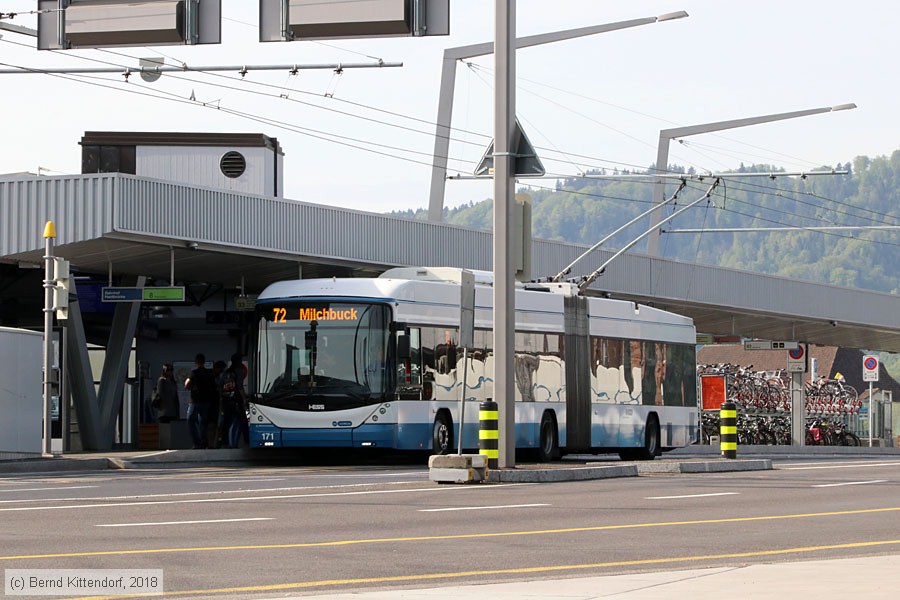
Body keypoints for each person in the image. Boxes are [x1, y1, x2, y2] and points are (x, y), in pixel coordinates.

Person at [184, 353, 217, 449]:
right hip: (207, 401)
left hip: (196, 400)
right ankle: (203, 442)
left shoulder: (194, 372)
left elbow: (187, 384)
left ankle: (197, 442)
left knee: (190, 420)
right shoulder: (209, 373)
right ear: (204, 361)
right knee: (203, 422)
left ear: (196, 362)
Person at [219, 353, 248, 448]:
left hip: (226, 400)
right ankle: (246, 441)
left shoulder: (225, 373)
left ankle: (225, 442)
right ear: (238, 361)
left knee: (226, 422)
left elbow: (220, 388)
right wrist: (244, 399)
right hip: (236, 401)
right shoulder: (239, 372)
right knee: (243, 421)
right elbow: (240, 387)